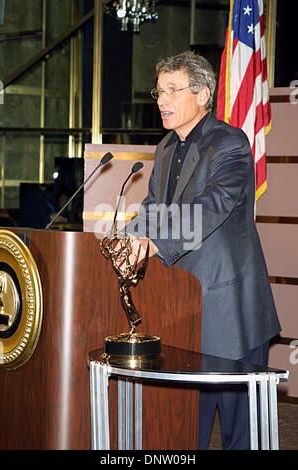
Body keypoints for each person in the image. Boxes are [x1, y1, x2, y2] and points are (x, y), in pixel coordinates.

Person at [118, 50, 281, 450]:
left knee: (240, 434)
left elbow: (213, 205)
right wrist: (130, 239)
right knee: (185, 424)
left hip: (229, 306)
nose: (162, 99)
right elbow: (155, 205)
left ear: (204, 94)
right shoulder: (166, 147)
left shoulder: (230, 142)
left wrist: (155, 242)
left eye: (173, 89)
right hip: (184, 305)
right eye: (159, 90)